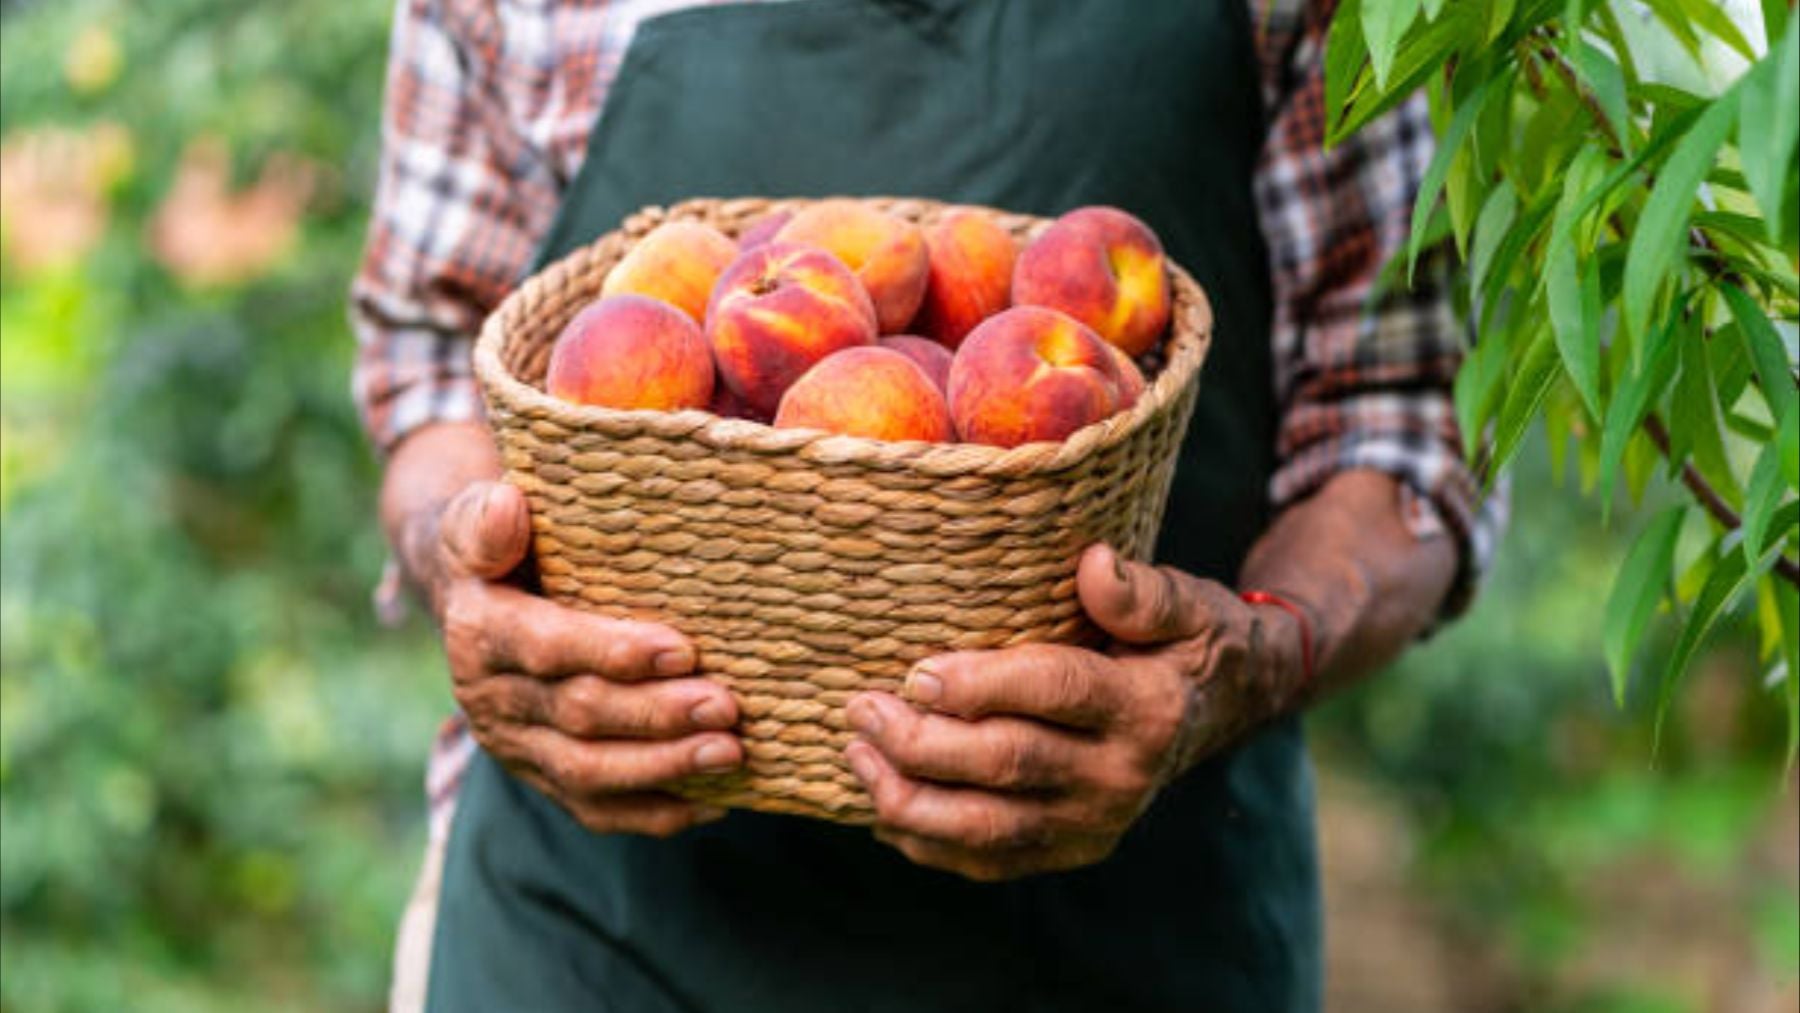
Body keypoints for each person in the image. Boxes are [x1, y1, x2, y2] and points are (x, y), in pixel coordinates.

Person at [353, 1, 1501, 1009]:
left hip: (1136, 933)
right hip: (589, 938)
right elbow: (430, 370)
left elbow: (1399, 417)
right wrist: (470, 574)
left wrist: (1257, 649)